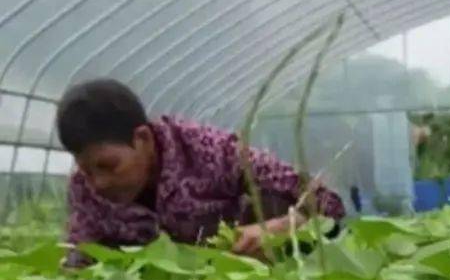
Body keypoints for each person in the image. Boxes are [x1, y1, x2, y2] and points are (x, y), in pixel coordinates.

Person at [57, 79, 345, 265]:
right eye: (87, 171)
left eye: (108, 166)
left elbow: (328, 205)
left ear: (142, 138)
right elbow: (81, 264)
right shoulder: (85, 191)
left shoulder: (209, 151)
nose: (99, 183)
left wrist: (280, 228)